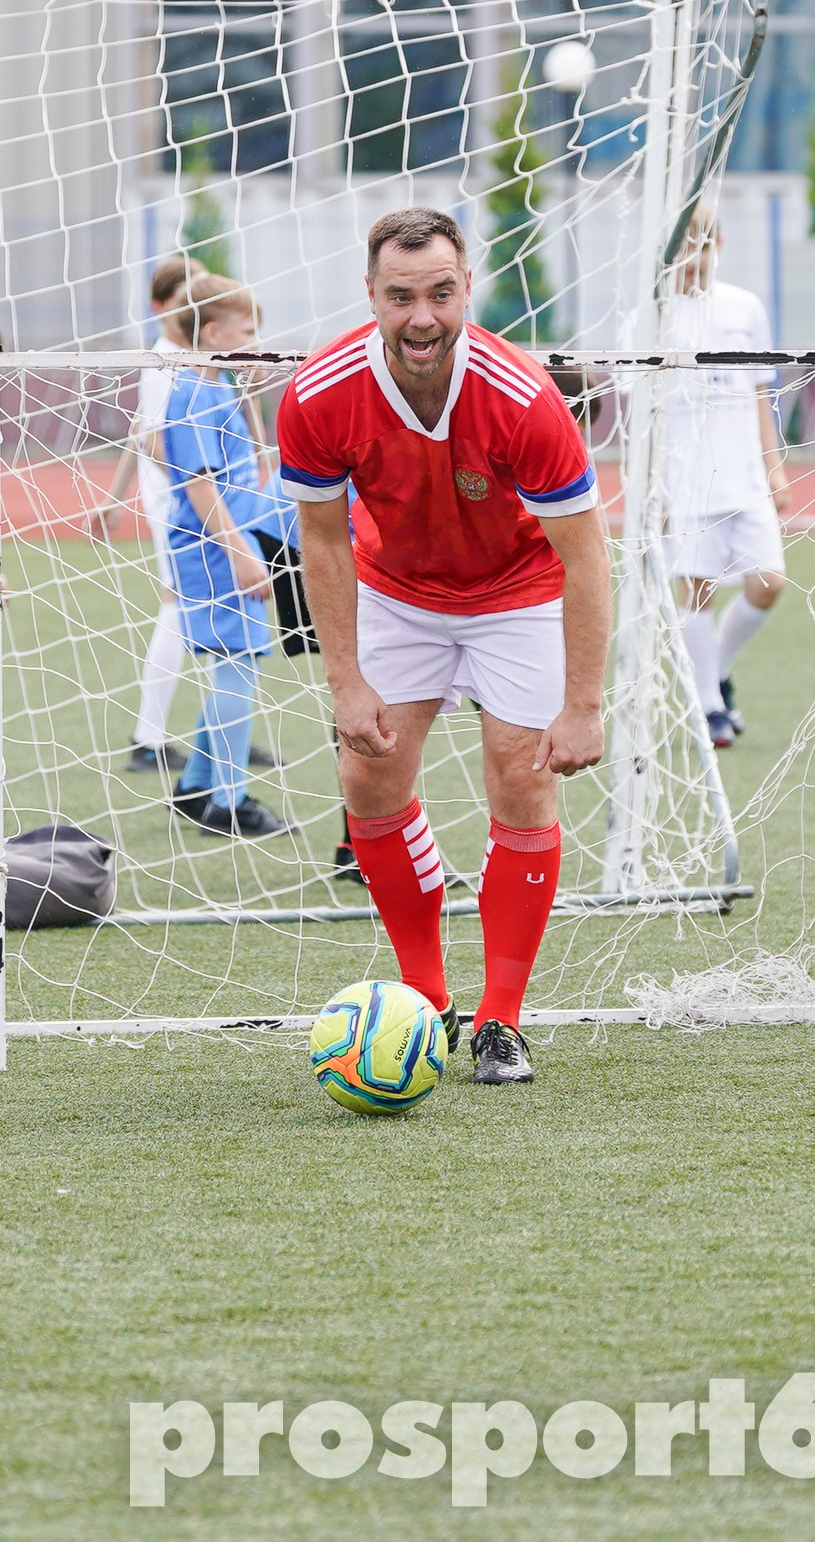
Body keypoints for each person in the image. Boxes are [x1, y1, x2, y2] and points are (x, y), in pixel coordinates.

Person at [275, 207, 611, 1085]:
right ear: (371, 296)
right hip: (399, 593)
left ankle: (500, 1021)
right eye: (400, 296)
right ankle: (427, 999)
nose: (421, 316)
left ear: (466, 289)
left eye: (440, 293)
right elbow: (323, 539)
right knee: (368, 774)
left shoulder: (523, 397)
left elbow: (585, 556)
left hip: (518, 594)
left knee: (523, 775)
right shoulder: (318, 393)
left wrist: (583, 706)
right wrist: (343, 683)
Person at [164, 275, 293, 839]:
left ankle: (195, 786)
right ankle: (229, 803)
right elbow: (198, 485)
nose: (256, 340)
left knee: (235, 664)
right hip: (215, 549)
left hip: (234, 539)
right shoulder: (190, 391)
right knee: (238, 664)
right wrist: (241, 552)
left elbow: (245, 462)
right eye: (247, 331)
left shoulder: (217, 387)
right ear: (214, 332)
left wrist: (248, 392)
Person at [661, 207, 790, 747]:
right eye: (685, 244)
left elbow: (760, 389)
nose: (695, 255)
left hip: (743, 476)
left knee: (768, 582)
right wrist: (654, 490)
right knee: (696, 591)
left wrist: (774, 464)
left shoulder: (745, 308)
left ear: (720, 244)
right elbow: (639, 415)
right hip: (684, 480)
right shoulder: (650, 315)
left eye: (705, 242)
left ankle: (715, 669)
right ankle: (710, 709)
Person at [93, 258, 206, 773]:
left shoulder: (191, 357)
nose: (197, 303)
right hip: (179, 502)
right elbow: (153, 439)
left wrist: (113, 499)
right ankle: (148, 739)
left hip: (193, 498)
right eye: (187, 295)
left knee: (207, 610)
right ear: (161, 307)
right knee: (179, 606)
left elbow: (140, 429)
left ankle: (220, 731)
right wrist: (206, 487)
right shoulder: (167, 360)